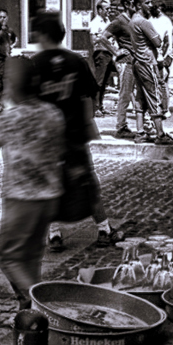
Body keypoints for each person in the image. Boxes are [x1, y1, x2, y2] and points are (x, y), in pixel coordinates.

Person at [25, 13, 115, 252]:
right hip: (73, 135)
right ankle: (104, 229)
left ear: (43, 36)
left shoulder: (34, 64)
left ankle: (54, 235)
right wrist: (87, 128)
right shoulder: (76, 61)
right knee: (88, 182)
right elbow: (88, 98)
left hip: (46, 139)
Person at [0, 57, 63, 308]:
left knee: (9, 259)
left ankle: (37, 303)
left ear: (13, 86)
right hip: (49, 196)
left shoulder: (8, 119)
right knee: (32, 257)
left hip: (19, 197)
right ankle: (27, 313)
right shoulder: (52, 113)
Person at [107, 0, 173, 145]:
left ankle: (140, 132)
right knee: (152, 95)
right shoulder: (141, 22)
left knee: (139, 98)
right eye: (147, 2)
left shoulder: (132, 21)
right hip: (146, 61)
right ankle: (160, 134)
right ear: (138, 5)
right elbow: (158, 42)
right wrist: (116, 52)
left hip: (136, 61)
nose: (151, 5)